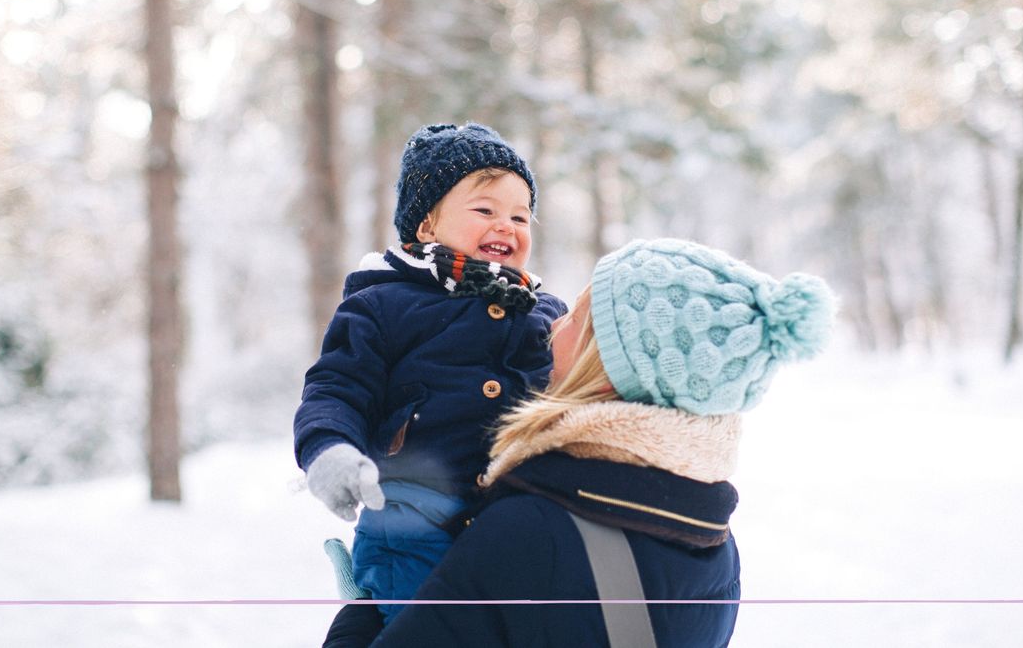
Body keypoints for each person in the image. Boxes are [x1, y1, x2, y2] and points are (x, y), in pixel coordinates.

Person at [323, 237, 836, 647]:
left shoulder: (531, 534)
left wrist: (363, 614)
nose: (552, 326)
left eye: (577, 316)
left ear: (608, 366)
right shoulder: (712, 539)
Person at [294, 123, 568, 622]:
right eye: (485, 210)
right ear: (426, 226)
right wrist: (328, 448)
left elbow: (581, 389)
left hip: (520, 517)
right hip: (410, 518)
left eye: (520, 216)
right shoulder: (384, 304)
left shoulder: (545, 312)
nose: (506, 226)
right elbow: (337, 387)